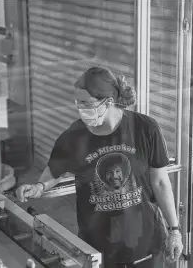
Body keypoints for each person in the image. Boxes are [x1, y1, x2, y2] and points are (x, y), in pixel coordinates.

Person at [15, 67, 183, 268]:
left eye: (86, 103)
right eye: (78, 103)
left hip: (145, 242)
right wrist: (39, 187)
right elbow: (54, 171)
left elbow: (161, 183)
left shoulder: (145, 128)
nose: (81, 109)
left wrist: (174, 230)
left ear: (108, 102)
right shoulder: (74, 136)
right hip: (97, 247)